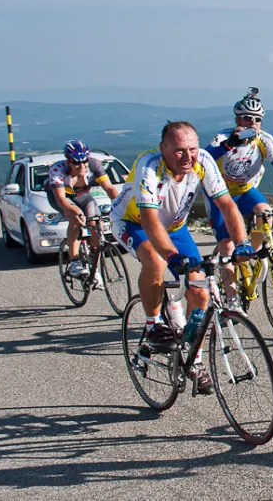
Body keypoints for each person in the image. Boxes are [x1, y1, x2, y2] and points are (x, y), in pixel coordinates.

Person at [110, 121, 255, 394]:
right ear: (163, 148)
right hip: (133, 222)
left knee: (200, 290)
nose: (188, 157)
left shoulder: (204, 161)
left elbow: (227, 205)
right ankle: (153, 324)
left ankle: (195, 361)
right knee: (156, 260)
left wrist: (242, 243)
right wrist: (172, 256)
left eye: (192, 149)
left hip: (175, 228)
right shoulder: (149, 166)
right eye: (179, 151)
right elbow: (150, 220)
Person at [204, 88, 273, 296]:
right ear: (237, 119)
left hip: (246, 190)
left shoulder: (264, 140)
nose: (252, 124)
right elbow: (204, 158)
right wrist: (228, 145)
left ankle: (250, 256)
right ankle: (231, 299)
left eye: (257, 120)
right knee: (227, 246)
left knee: (266, 213)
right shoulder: (223, 137)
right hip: (220, 195)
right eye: (247, 119)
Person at [45, 140, 120, 280]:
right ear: (68, 161)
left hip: (82, 195)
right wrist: (74, 211)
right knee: (76, 219)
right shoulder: (57, 169)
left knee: (97, 225)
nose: (81, 166)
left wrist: (121, 206)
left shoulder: (94, 165)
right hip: (60, 197)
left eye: (84, 161)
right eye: (76, 163)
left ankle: (93, 263)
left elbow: (109, 188)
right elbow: (61, 199)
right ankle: (74, 261)